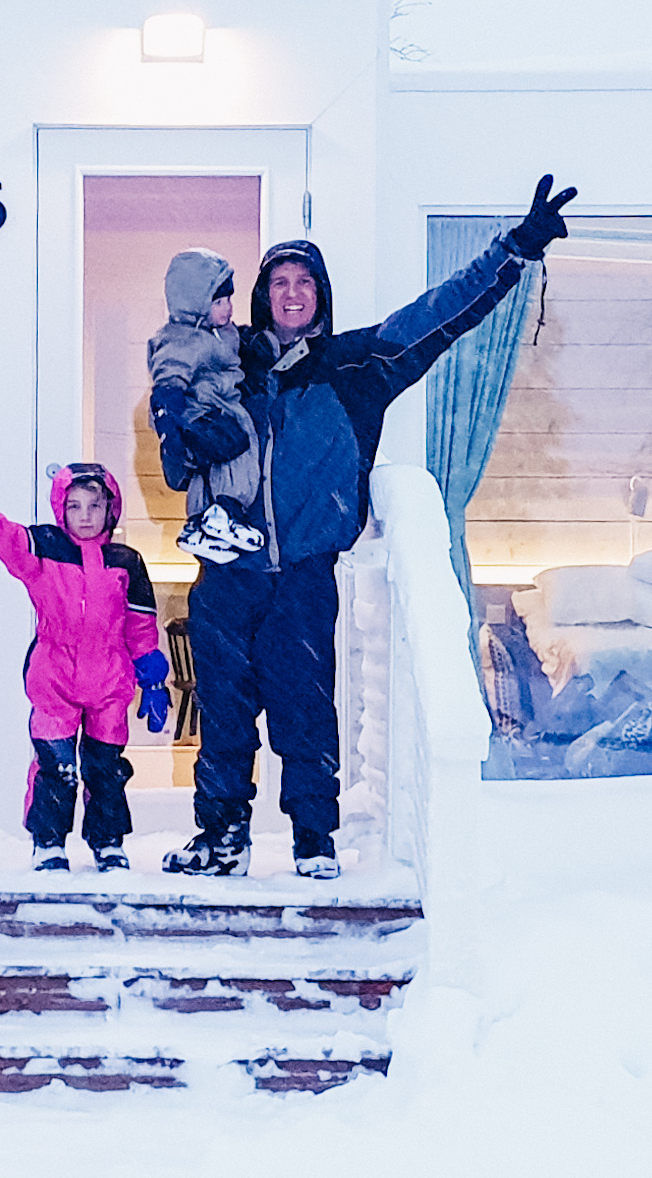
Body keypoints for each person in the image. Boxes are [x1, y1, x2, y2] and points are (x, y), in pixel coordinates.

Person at [157, 173, 578, 880]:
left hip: (303, 574)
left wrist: (513, 251)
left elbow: (438, 315)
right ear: (262, 294)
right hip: (226, 570)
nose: (292, 293)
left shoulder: (356, 366)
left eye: (305, 282)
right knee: (223, 712)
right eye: (279, 282)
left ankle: (313, 839)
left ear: (320, 295)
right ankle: (222, 837)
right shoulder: (228, 362)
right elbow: (173, 359)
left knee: (304, 709)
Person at [0, 460, 176, 873]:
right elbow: (6, 538)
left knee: (106, 768)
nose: (85, 516)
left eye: (94, 506)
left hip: (110, 682)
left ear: (110, 509)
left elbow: (140, 625)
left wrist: (152, 679)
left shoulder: (126, 562)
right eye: (74, 506)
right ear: (61, 508)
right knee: (56, 767)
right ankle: (48, 842)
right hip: (54, 679)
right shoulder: (44, 549)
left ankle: (108, 842)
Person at [146, 249, 269, 566]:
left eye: (229, 299)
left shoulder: (219, 332)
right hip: (208, 411)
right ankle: (228, 509)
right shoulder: (182, 339)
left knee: (207, 470)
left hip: (208, 411)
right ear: (195, 303)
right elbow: (169, 378)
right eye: (218, 302)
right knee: (240, 452)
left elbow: (236, 347)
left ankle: (199, 521)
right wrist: (169, 423)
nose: (228, 308)